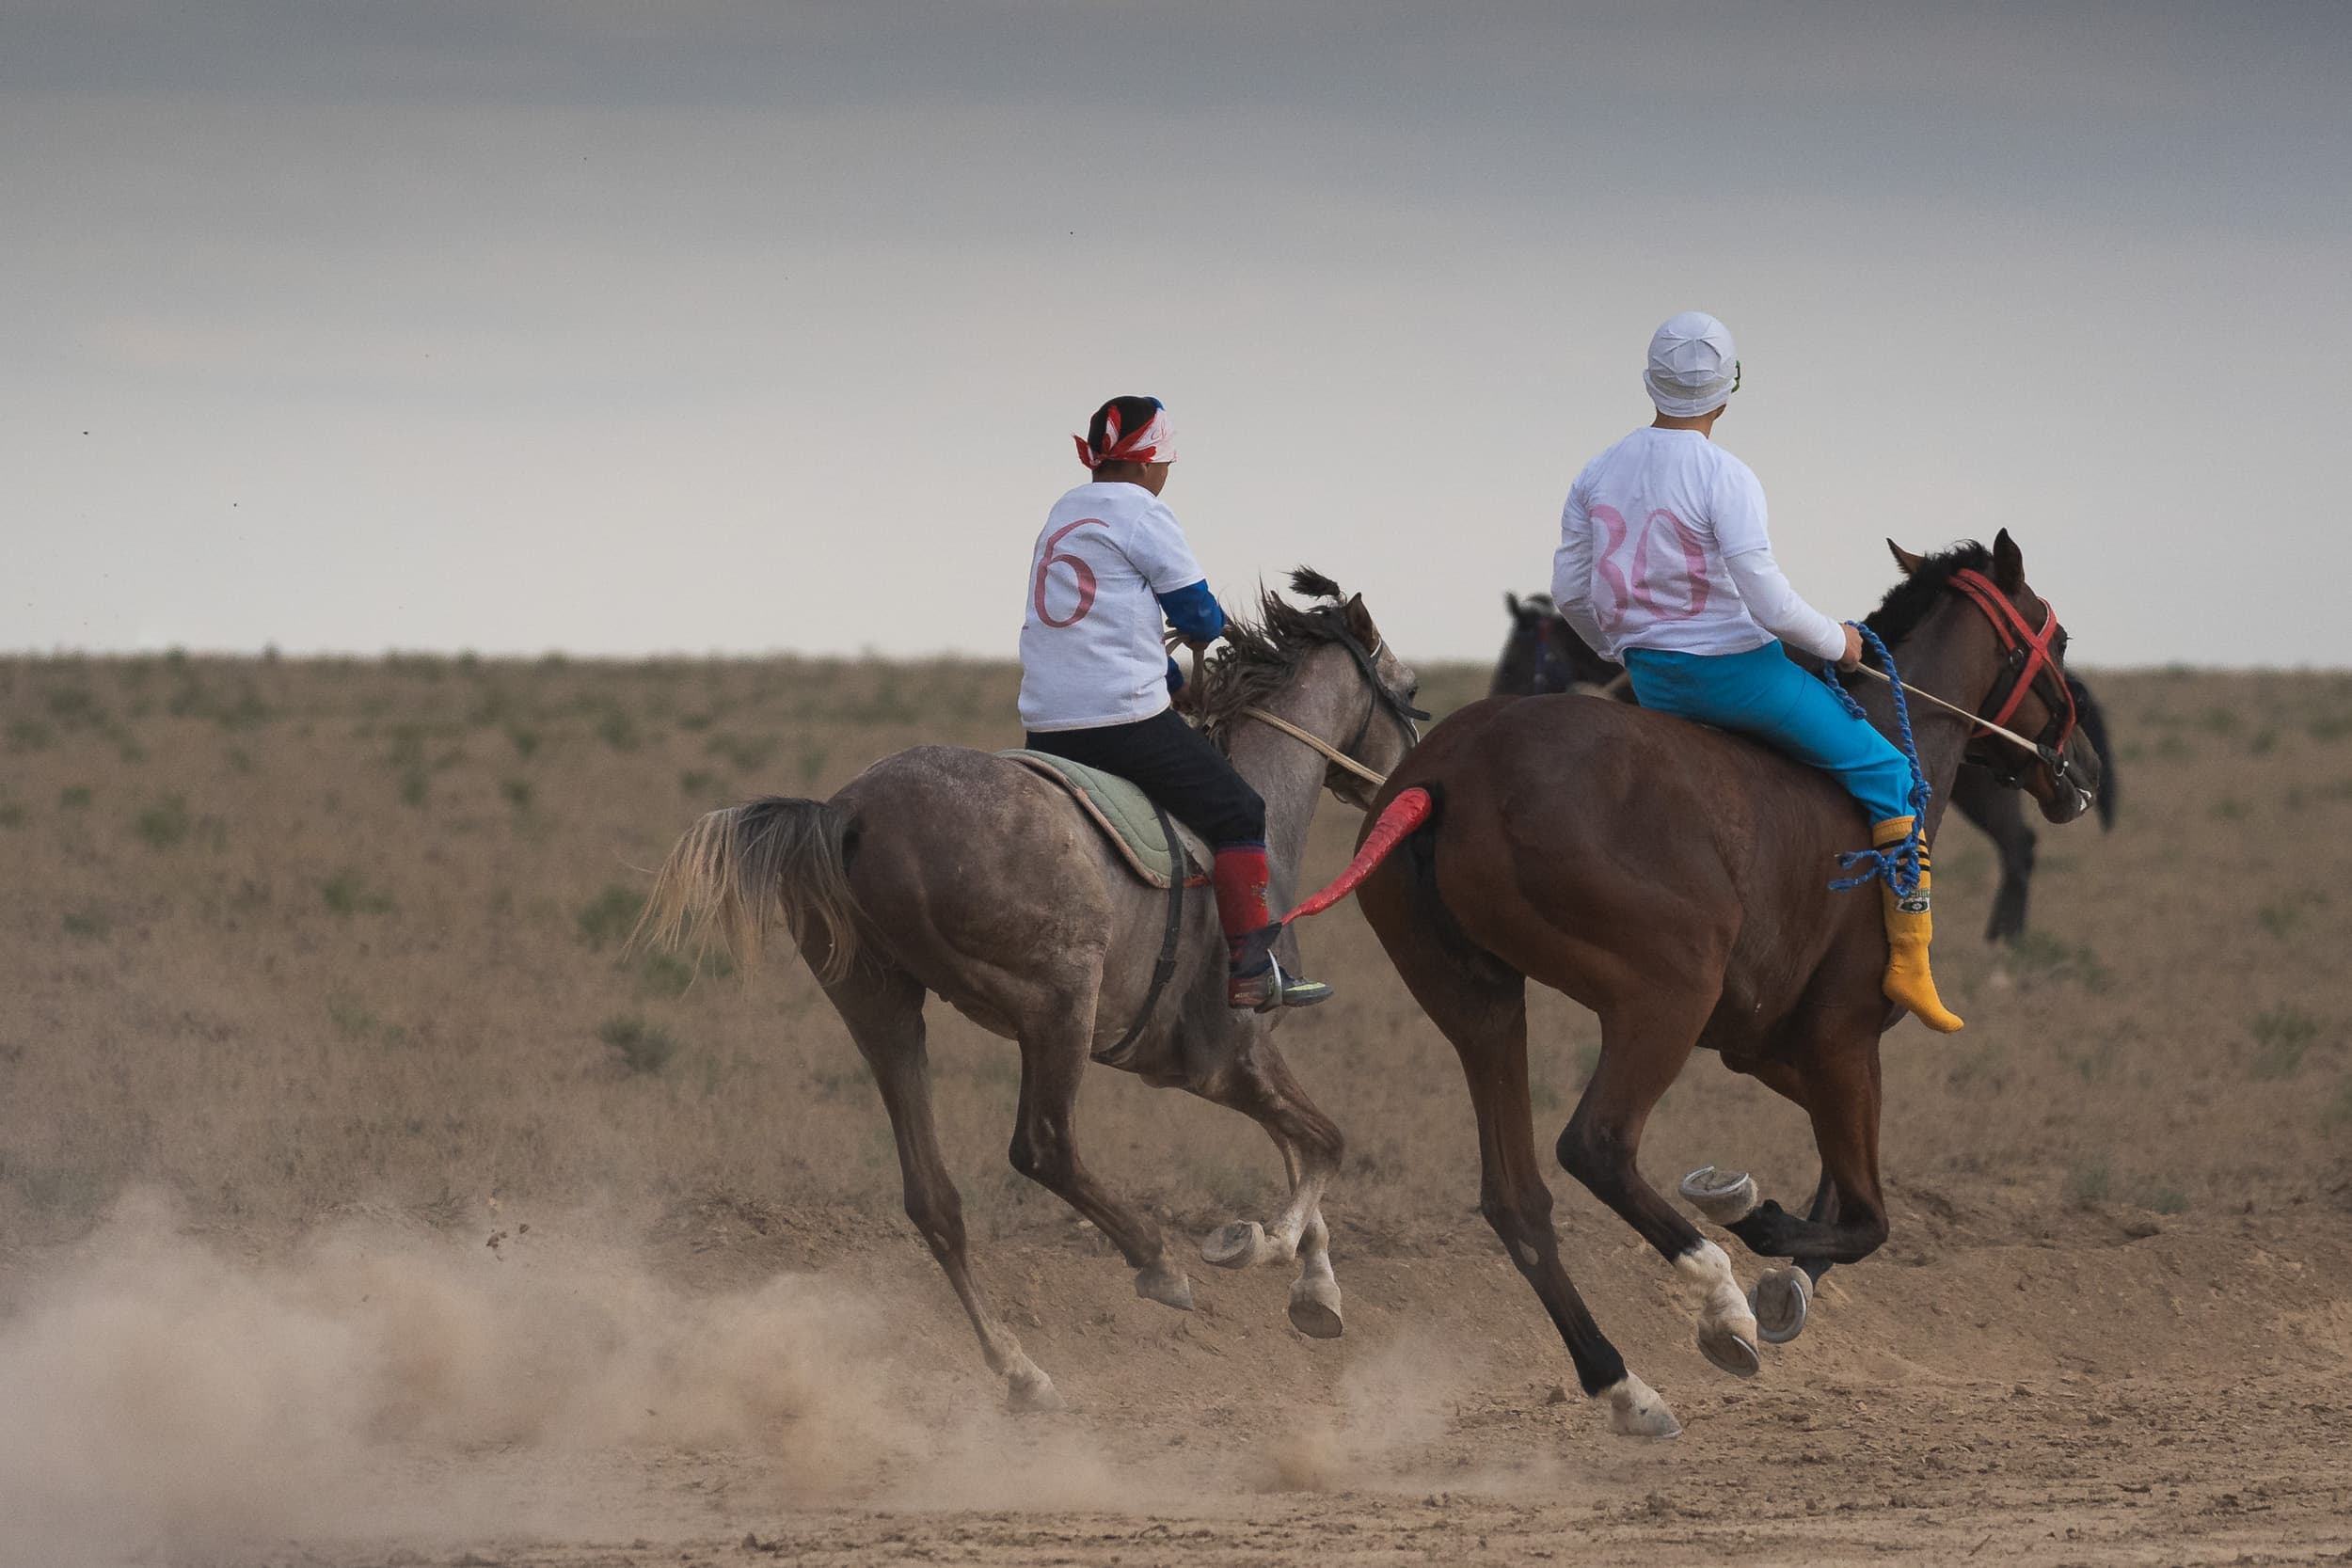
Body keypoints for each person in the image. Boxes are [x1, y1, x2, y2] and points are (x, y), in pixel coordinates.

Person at [1549, 313, 1963, 1033]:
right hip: (1736, 674)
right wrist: (1840, 643)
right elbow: (1771, 606)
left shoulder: (1596, 471)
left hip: (1650, 680)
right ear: (1728, 391)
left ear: (1650, 383)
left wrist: (1623, 651)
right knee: (1892, 772)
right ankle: (1911, 963)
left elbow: (1572, 597)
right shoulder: (1727, 476)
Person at [1018, 395, 1331, 1012]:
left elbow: (1102, 624)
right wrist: (1200, 632)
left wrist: (1166, 673)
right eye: (1164, 462)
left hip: (1046, 727)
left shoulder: (1062, 512)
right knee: (1239, 809)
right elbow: (1200, 615)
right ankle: (1251, 967)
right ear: (1141, 465)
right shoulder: (1143, 512)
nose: (1166, 474)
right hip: (1119, 724)